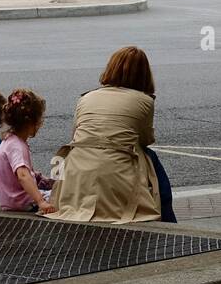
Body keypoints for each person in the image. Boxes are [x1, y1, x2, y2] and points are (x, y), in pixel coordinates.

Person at [48, 46, 176, 224]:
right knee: (151, 159)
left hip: (76, 165)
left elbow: (76, 135)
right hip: (119, 167)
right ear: (144, 75)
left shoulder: (85, 98)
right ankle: (168, 221)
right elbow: (146, 140)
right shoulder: (145, 101)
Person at [0, 89, 54, 213]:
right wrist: (40, 201)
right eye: (39, 120)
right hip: (21, 201)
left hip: (9, 199)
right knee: (66, 196)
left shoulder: (9, 140)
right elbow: (22, 175)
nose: (41, 124)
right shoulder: (17, 146)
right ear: (30, 122)